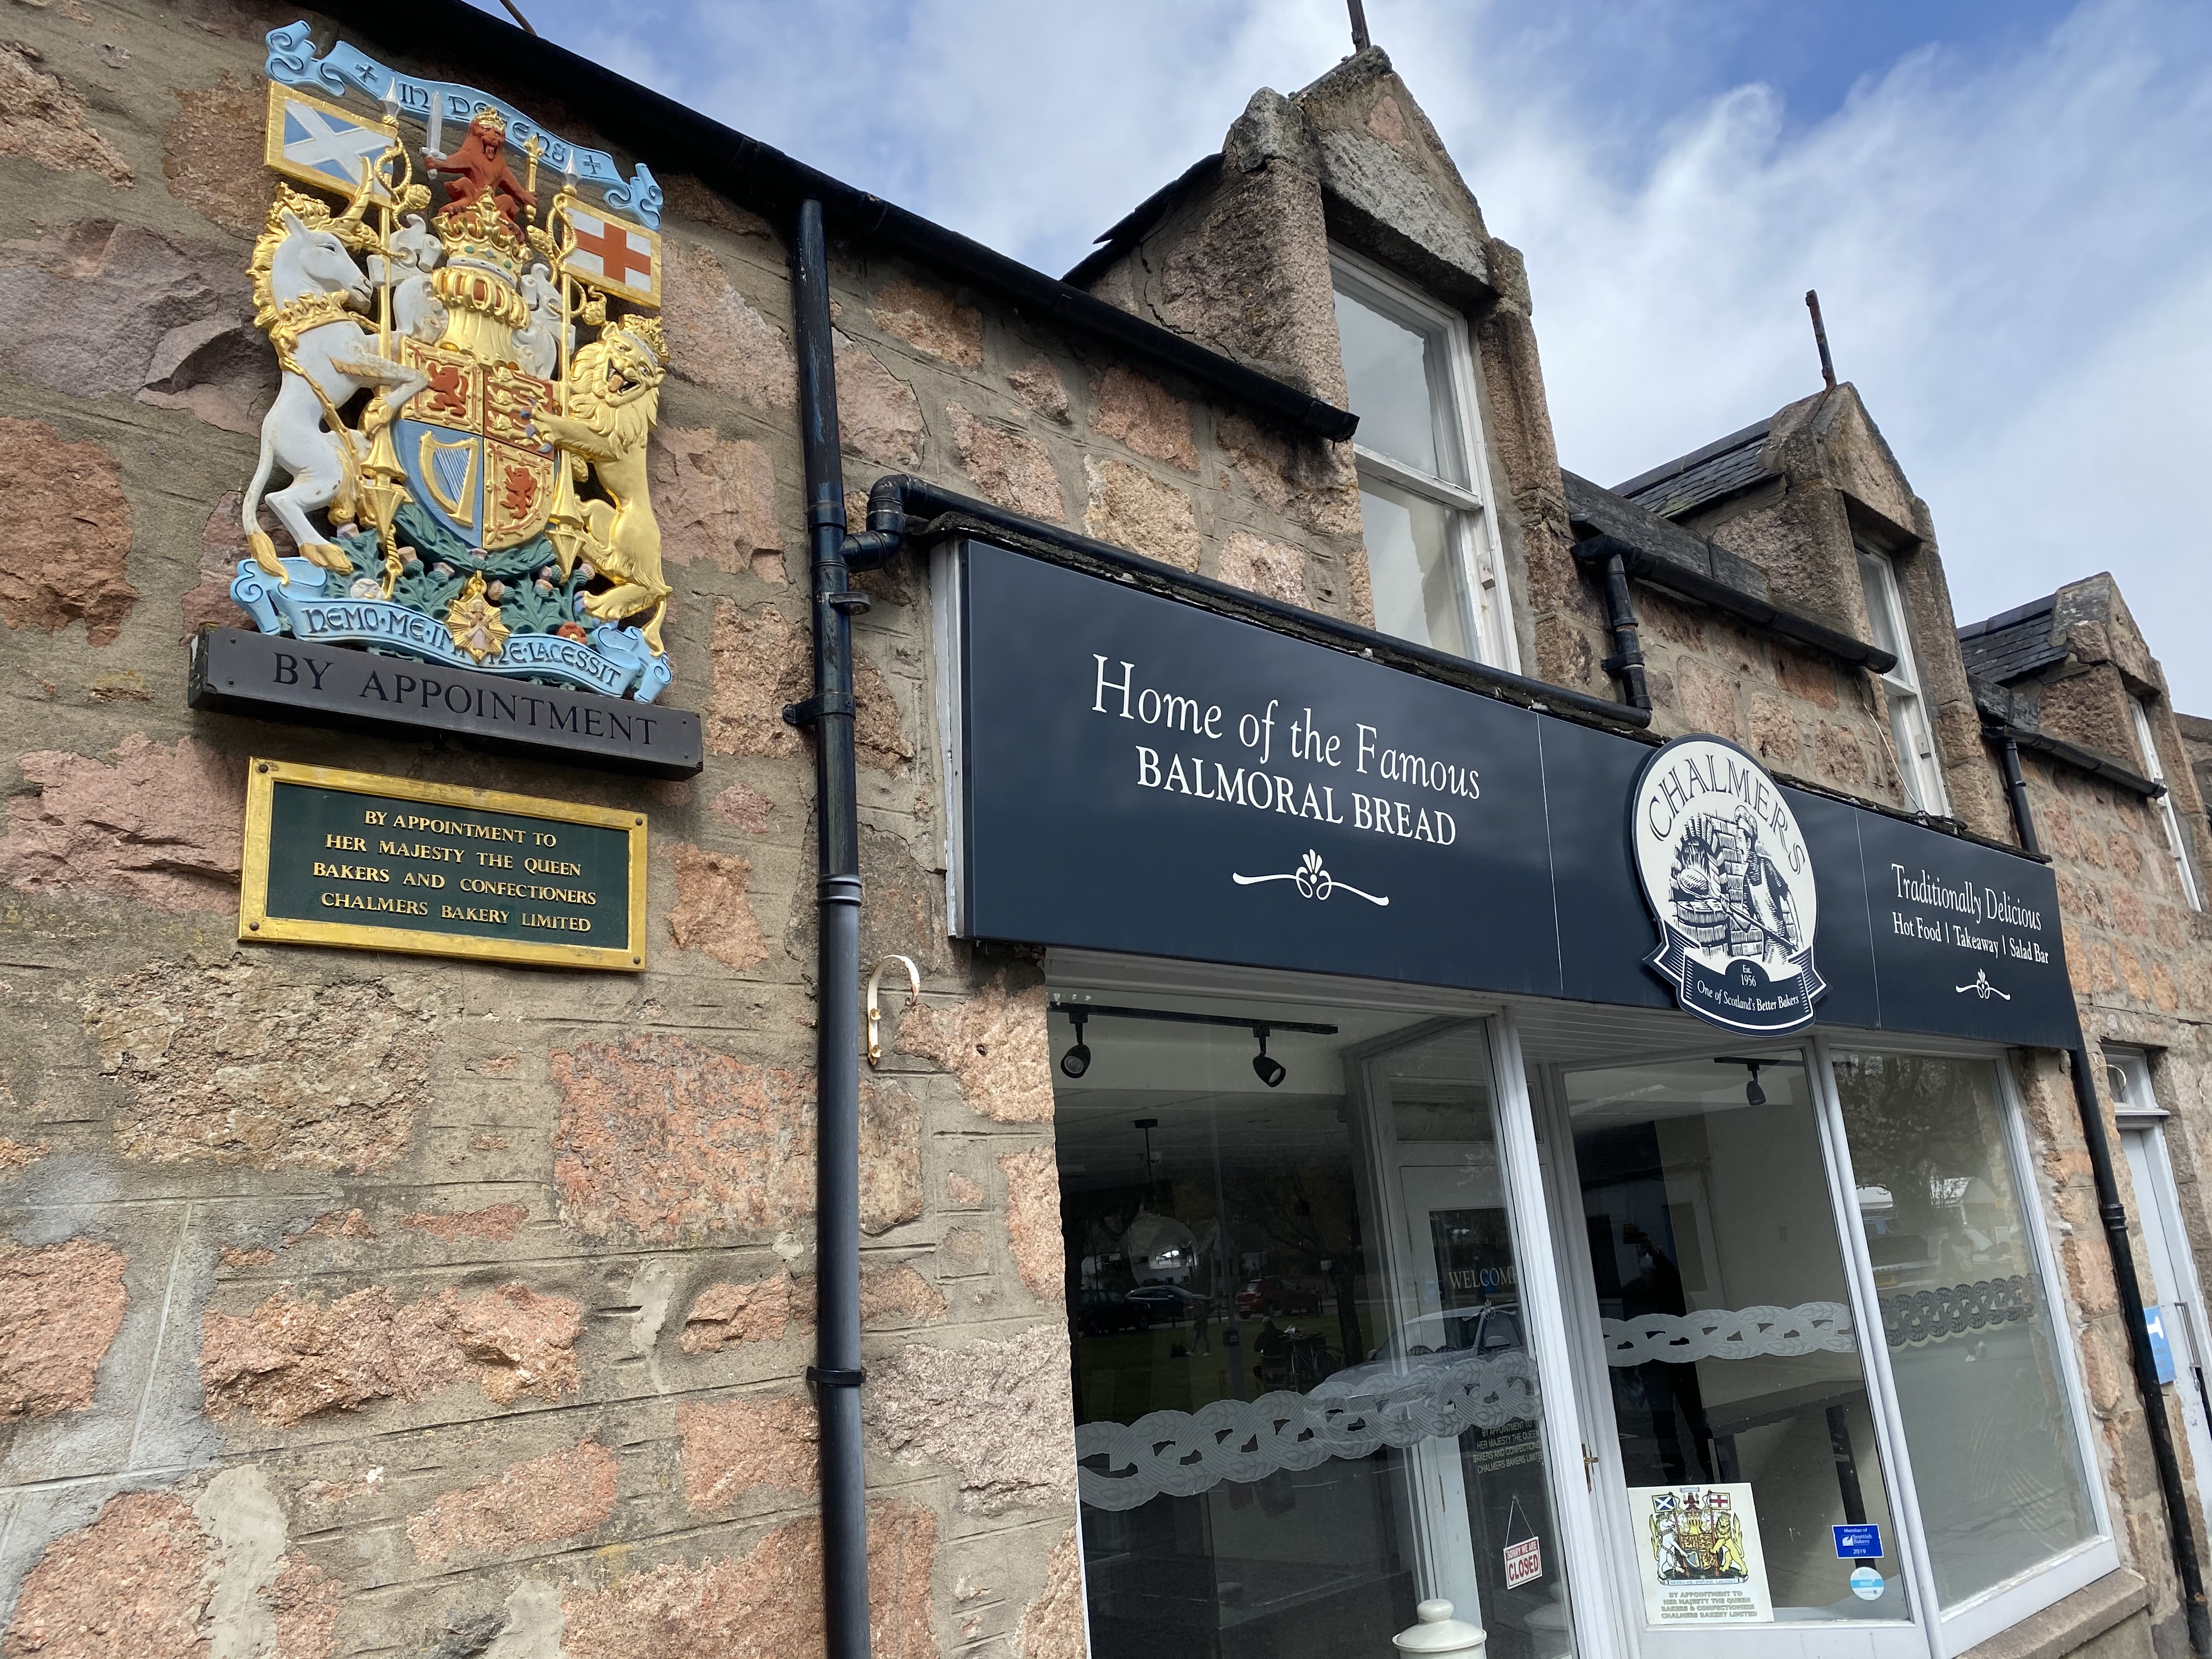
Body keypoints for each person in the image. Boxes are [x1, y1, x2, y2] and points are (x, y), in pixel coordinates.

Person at [427, 111, 532, 226]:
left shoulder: (501, 166)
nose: (493, 138)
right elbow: (451, 162)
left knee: (507, 200)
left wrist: (526, 196)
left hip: (492, 203)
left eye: (497, 134)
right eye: (486, 130)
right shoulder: (469, 155)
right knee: (465, 183)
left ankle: (504, 218)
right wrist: (436, 163)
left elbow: (514, 186)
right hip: (474, 196)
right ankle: (460, 205)